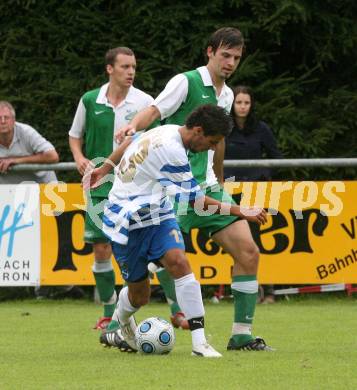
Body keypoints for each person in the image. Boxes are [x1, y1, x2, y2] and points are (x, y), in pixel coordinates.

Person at [116, 27, 273, 351]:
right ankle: (147, 317)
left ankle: (241, 334)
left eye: (236, 58)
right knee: (164, 261)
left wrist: (219, 179)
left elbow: (219, 142)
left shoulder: (227, 95)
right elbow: (155, 111)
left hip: (208, 188)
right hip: (174, 188)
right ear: (210, 52)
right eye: (225, 55)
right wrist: (133, 127)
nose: (230, 63)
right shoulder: (185, 82)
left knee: (248, 252)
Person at [86, 104, 267, 357]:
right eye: (212, 141)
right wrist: (241, 211)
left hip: (158, 215)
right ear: (198, 131)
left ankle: (199, 343)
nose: (213, 148)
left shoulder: (167, 130)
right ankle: (122, 322)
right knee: (140, 296)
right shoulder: (172, 150)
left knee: (179, 262)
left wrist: (105, 168)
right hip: (127, 221)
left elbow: (133, 140)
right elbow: (198, 203)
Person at [68, 47, 154, 330]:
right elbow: (74, 136)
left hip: (135, 183)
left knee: (146, 245)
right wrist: (80, 158)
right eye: (125, 66)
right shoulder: (91, 100)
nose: (131, 72)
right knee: (102, 248)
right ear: (110, 69)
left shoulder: (145, 102)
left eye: (134, 67)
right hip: (100, 183)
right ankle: (108, 312)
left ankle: (179, 310)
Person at [225, 85, 283, 304]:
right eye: (238, 102)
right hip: (229, 194)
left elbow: (276, 158)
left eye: (246, 102)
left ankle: (268, 290)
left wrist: (262, 174)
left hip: (256, 193)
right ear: (232, 105)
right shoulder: (224, 129)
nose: (242, 107)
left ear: (251, 105)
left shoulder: (261, 129)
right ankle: (240, 290)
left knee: (257, 243)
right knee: (234, 243)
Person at [0, 101, 58, 183]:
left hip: (44, 187)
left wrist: (15, 160)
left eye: (6, 117)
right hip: (8, 191)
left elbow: (53, 156)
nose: (3, 121)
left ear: (14, 120)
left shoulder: (26, 132)